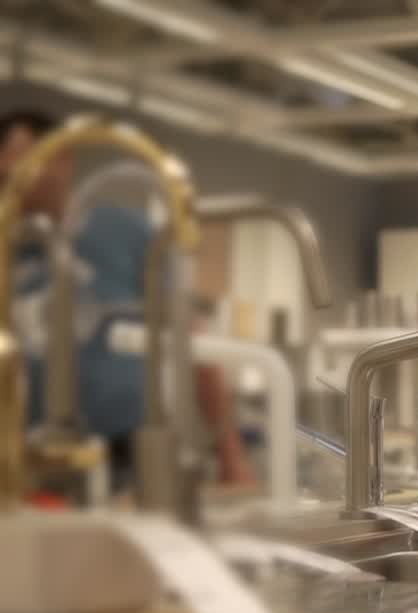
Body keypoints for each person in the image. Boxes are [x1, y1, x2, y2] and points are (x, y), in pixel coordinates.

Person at [0, 108, 256, 499]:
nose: (11, 169)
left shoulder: (123, 231)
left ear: (61, 158)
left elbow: (194, 340)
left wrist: (231, 454)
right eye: (5, 158)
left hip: (129, 456)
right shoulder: (10, 250)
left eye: (23, 155)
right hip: (37, 460)